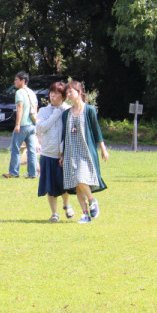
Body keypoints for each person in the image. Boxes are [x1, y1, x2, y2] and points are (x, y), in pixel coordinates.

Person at [60, 81, 109, 223]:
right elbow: (64, 135)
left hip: (85, 151)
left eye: (71, 91)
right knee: (77, 184)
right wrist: (62, 155)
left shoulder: (89, 110)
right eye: (67, 92)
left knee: (82, 178)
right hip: (70, 151)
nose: (68, 94)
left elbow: (96, 130)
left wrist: (103, 148)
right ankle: (85, 214)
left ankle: (93, 200)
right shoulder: (66, 114)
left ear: (79, 92)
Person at [36, 82, 74, 221]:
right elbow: (41, 127)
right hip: (47, 153)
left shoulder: (69, 110)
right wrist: (55, 114)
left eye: (57, 92)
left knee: (64, 184)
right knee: (50, 186)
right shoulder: (43, 111)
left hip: (63, 154)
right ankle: (54, 213)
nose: (53, 95)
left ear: (63, 96)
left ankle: (66, 205)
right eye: (52, 92)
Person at [4, 72, 39, 178]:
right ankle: (33, 173)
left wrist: (17, 124)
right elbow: (36, 108)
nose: (14, 82)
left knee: (15, 148)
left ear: (23, 81)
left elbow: (20, 107)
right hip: (32, 124)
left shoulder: (19, 92)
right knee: (32, 150)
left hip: (23, 124)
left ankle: (13, 172)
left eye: (16, 80)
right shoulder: (32, 93)